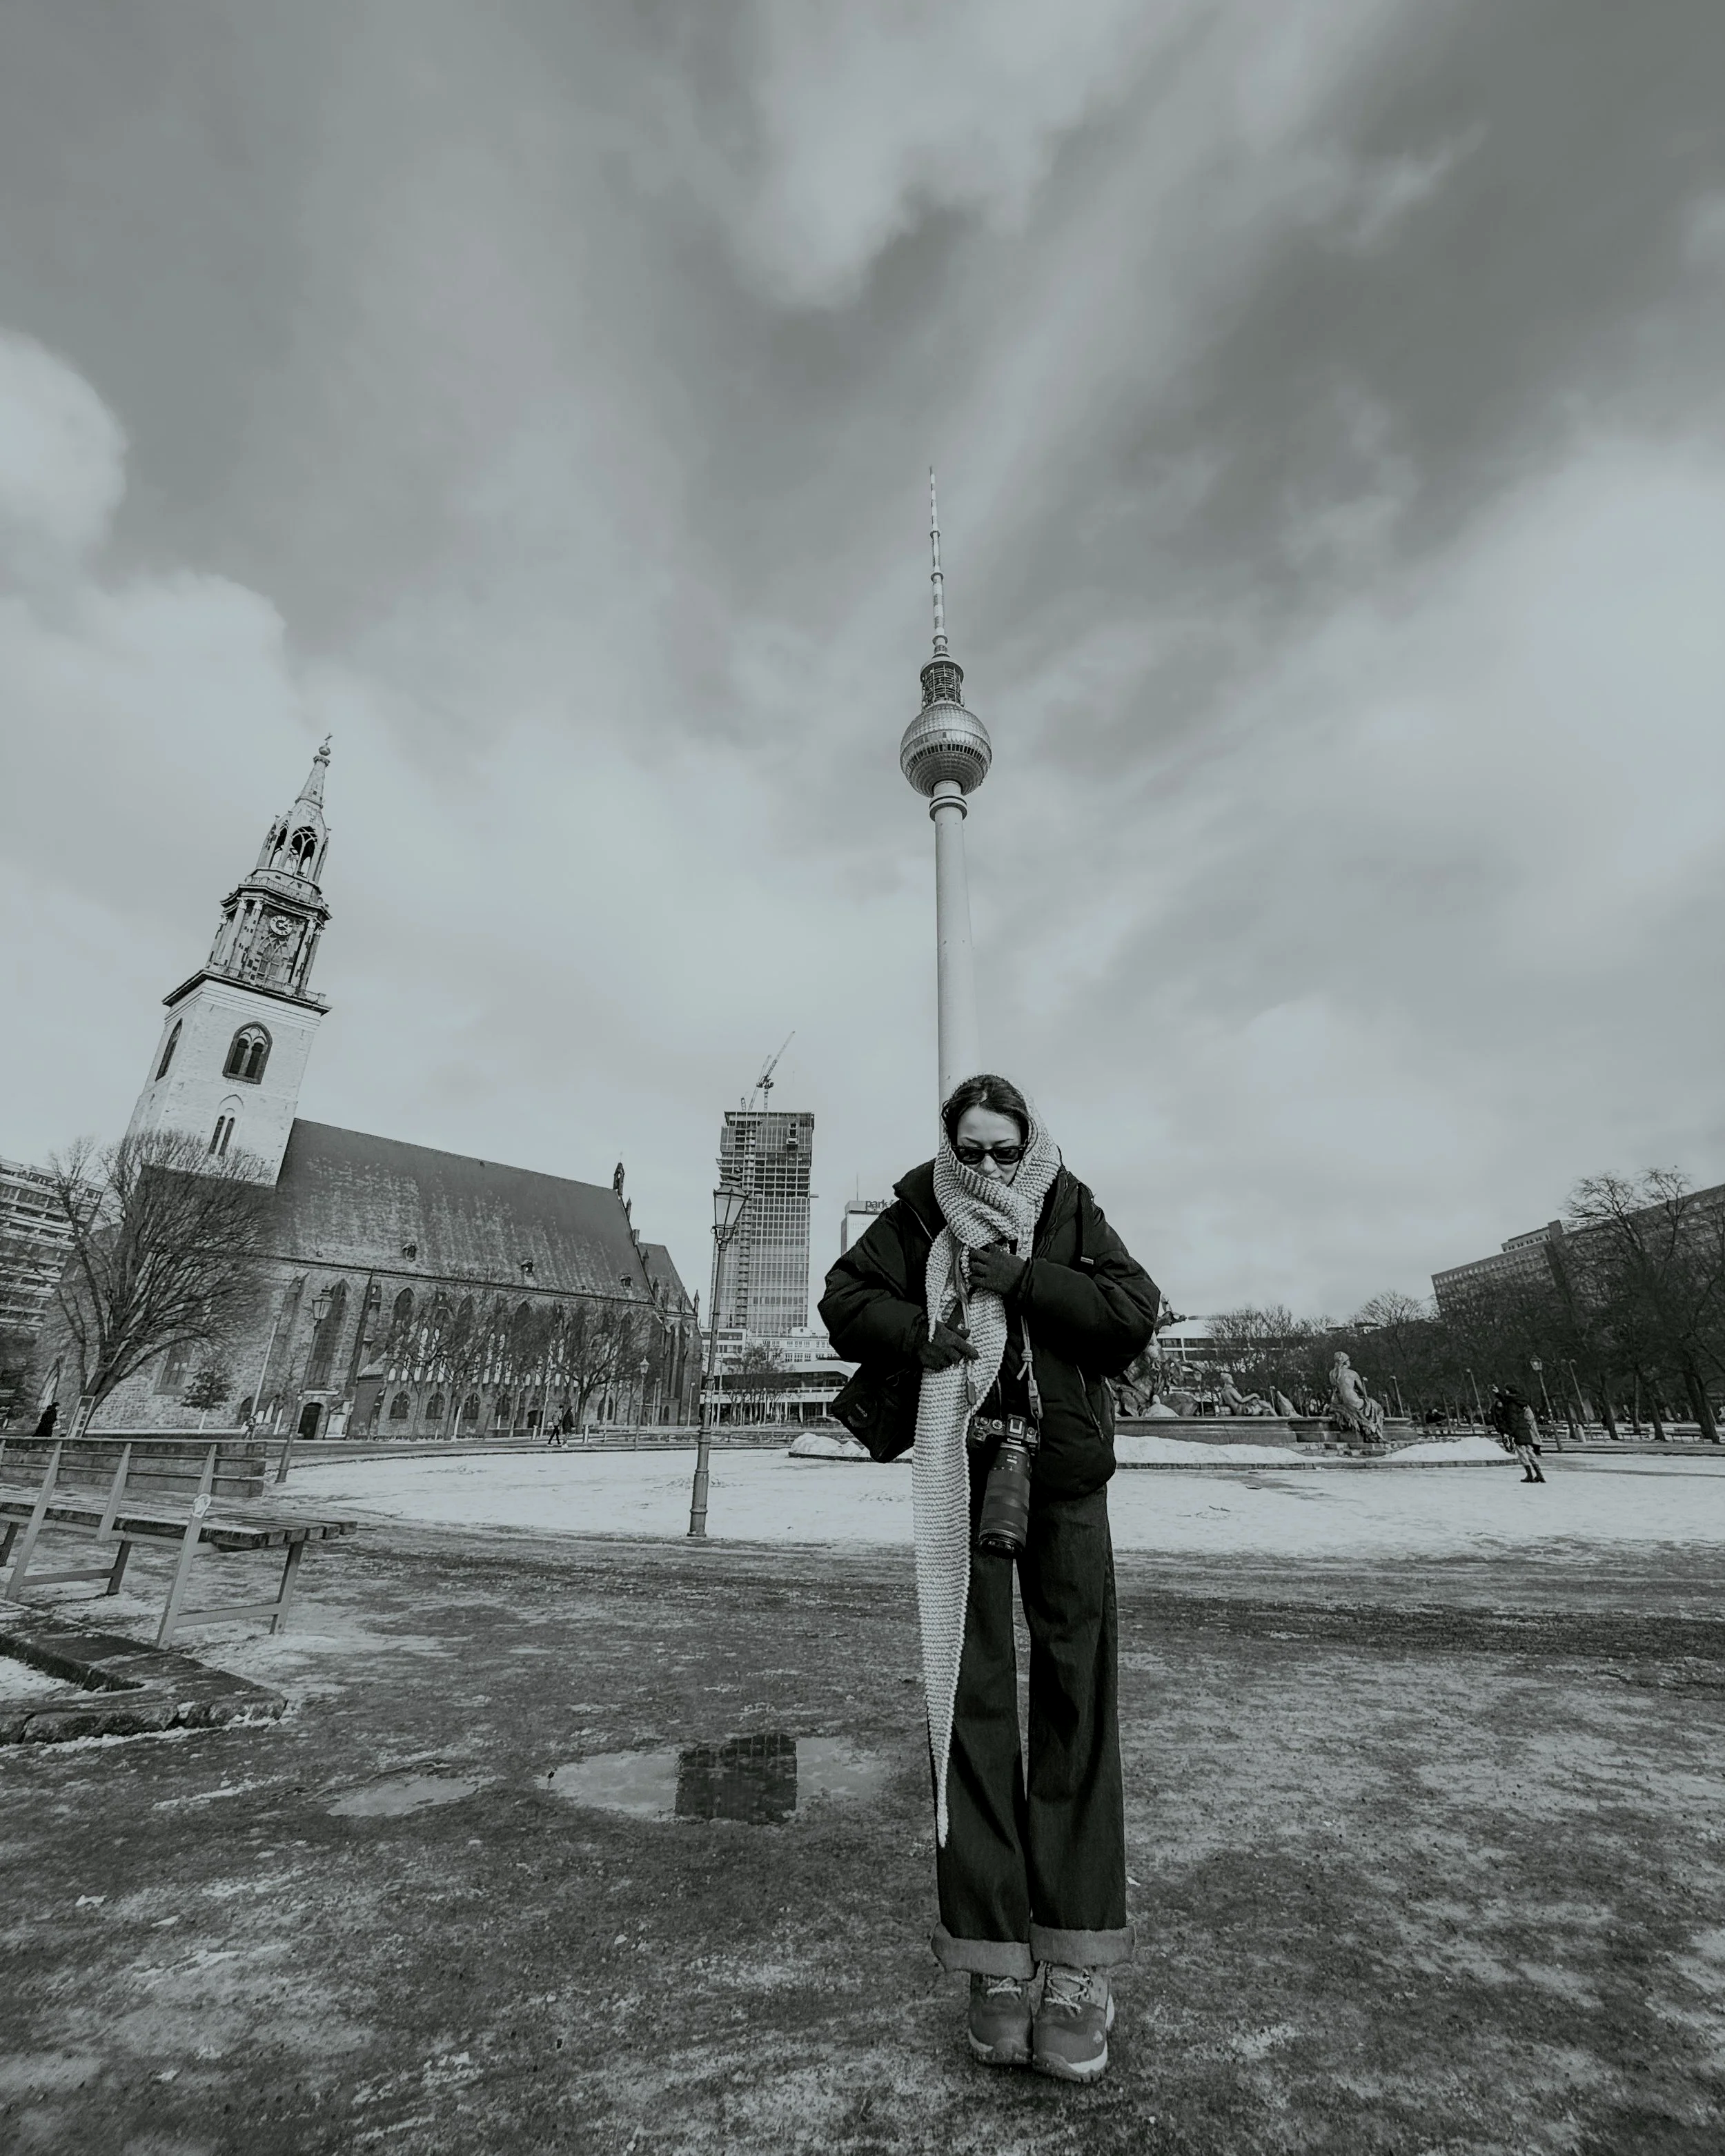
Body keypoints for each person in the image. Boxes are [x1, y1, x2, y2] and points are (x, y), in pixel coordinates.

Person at [820, 1074, 1159, 2084]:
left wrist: (1020, 1280)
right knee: (965, 1698)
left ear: (1031, 1142)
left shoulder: (1069, 1203)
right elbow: (846, 1295)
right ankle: (994, 1965)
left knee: (1075, 1697)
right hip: (958, 1476)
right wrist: (915, 1336)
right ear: (949, 1145)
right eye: (971, 1148)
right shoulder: (922, 1204)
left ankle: (1076, 1964)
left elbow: (1129, 1311)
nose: (988, 1166)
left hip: (1059, 1480)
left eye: (1004, 1147)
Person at [1489, 1384, 1545, 1483]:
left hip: (1518, 1431)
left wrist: (1509, 1432)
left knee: (1522, 1453)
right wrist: (1498, 1393)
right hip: (1525, 1429)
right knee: (1530, 1452)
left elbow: (1512, 1420)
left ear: (1509, 1392)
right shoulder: (1518, 1402)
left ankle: (1530, 1475)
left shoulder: (1511, 1405)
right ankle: (1539, 1474)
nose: (1505, 1392)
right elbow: (1506, 1401)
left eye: (1506, 1391)